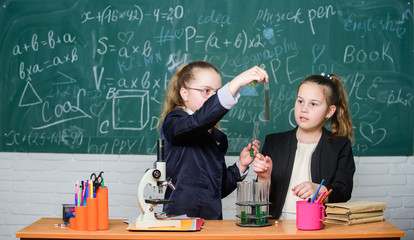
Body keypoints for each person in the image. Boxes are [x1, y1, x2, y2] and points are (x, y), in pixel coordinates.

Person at [158, 60, 269, 220]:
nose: (212, 97)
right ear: (184, 93)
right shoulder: (174, 122)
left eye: (216, 93)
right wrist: (236, 83)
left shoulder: (216, 137)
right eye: (206, 91)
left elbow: (217, 189)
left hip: (213, 223)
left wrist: (241, 165)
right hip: (181, 223)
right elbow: (196, 122)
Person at [253, 73, 355, 220]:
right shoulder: (274, 142)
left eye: (313, 104)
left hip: (319, 227)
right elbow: (260, 200)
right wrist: (264, 177)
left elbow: (343, 191)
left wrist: (320, 191)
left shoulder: (340, 146)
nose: (304, 109)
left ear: (329, 111)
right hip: (277, 227)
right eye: (300, 101)